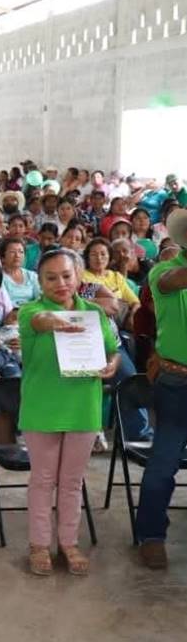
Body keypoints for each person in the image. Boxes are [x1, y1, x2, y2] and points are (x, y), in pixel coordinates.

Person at [18, 249, 120, 576]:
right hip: (42, 407)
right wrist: (57, 321)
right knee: (43, 480)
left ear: (78, 277)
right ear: (41, 281)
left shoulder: (94, 314)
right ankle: (38, 544)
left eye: (66, 275)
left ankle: (68, 543)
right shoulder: (30, 311)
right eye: (51, 278)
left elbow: (112, 350)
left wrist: (110, 365)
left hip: (83, 407)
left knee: (72, 482)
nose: (60, 283)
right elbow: (40, 321)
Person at [134, 210, 187, 569]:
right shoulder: (162, 271)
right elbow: (173, 282)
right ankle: (151, 535)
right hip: (177, 381)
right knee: (164, 461)